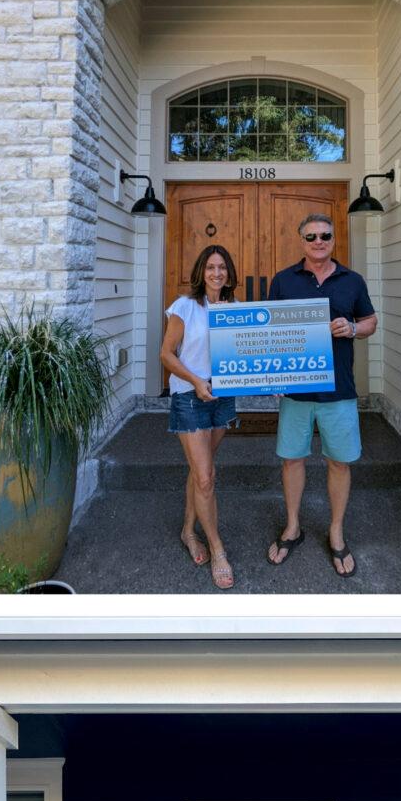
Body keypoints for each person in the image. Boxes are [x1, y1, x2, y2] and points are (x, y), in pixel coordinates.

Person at [265, 214, 377, 578]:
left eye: (324, 235)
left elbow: (371, 322)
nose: (318, 241)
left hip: (340, 390)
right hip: (296, 392)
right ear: (301, 240)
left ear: (333, 239)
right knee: (292, 459)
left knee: (339, 463)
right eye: (310, 236)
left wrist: (354, 327)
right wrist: (275, 372)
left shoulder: (353, 281)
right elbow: (271, 333)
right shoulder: (283, 281)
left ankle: (336, 531)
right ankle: (293, 527)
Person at [159, 244, 240, 589]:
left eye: (222, 267)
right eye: (211, 267)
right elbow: (166, 354)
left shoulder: (236, 309)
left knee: (200, 471)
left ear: (229, 272)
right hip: (190, 396)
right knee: (206, 476)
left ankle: (188, 532)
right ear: (201, 271)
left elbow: (250, 355)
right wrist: (195, 381)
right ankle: (218, 549)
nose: (217, 273)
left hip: (222, 399)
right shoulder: (185, 307)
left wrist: (272, 380)